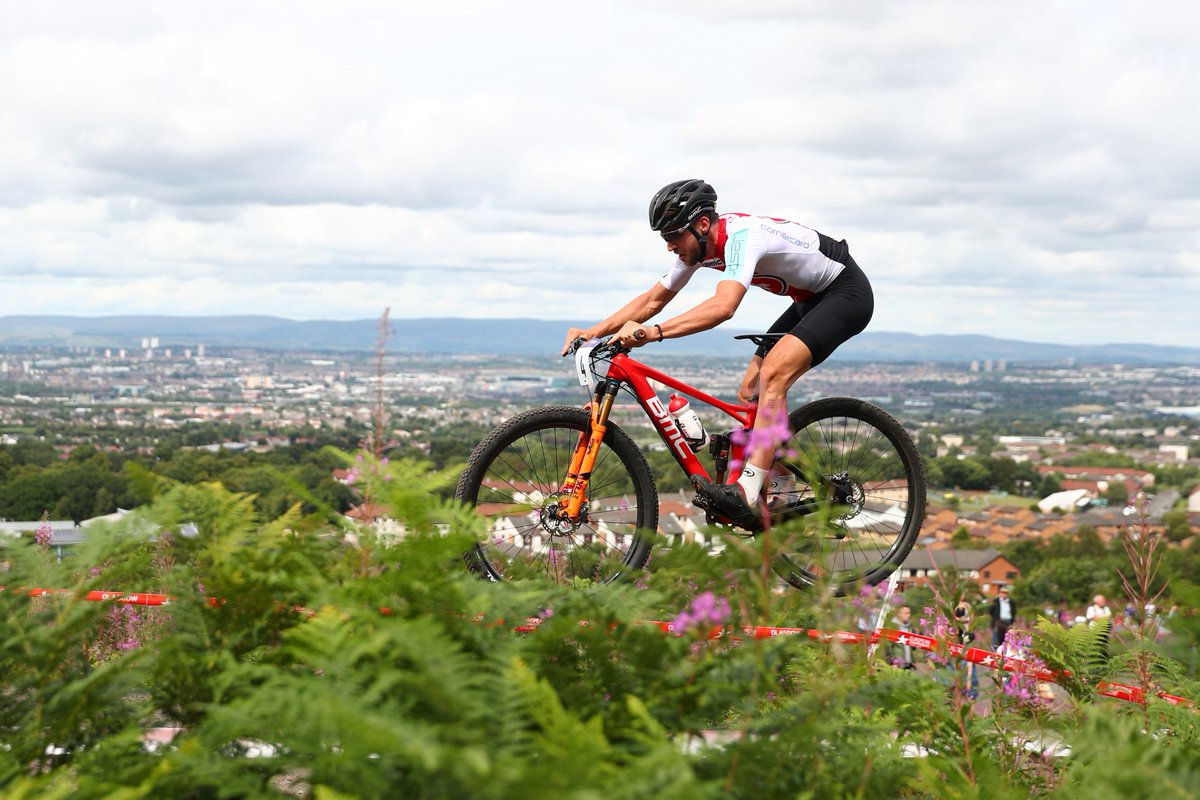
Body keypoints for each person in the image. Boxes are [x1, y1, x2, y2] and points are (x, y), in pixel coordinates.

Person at [561, 179, 874, 526]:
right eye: (664, 238)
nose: (669, 247)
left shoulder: (742, 237)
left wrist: (655, 332)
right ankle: (783, 487)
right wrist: (592, 332)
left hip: (845, 293)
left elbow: (724, 307)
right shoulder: (697, 247)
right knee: (751, 391)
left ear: (703, 224)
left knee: (773, 374)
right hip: (808, 300)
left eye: (674, 236)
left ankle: (747, 490)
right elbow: (653, 300)